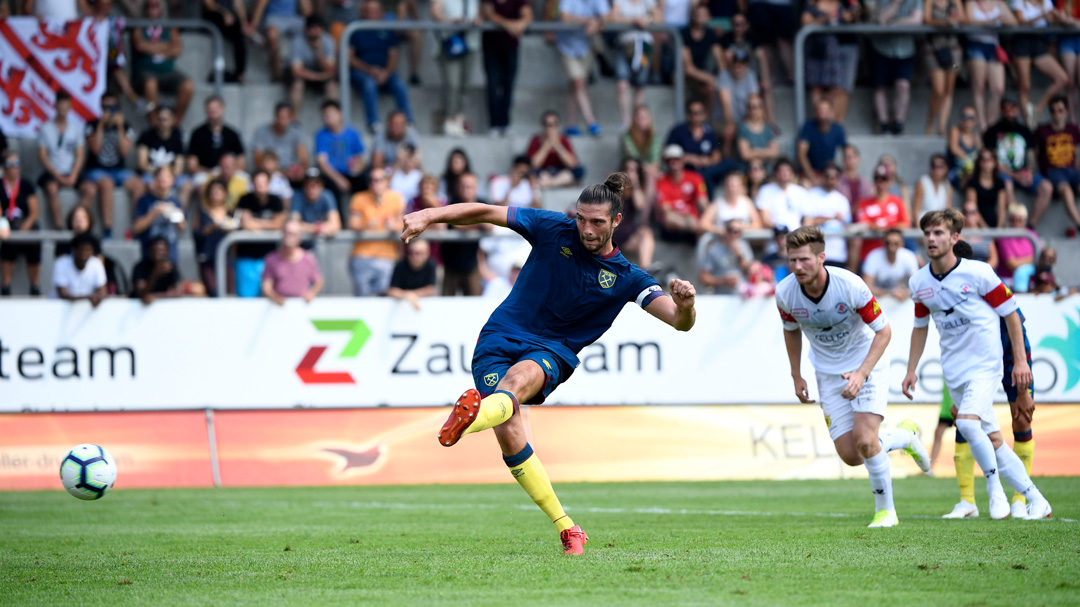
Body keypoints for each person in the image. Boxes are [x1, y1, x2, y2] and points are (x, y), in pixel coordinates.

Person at [399, 171, 698, 555]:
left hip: (551, 350)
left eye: (597, 222)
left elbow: (678, 322)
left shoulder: (628, 277)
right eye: (581, 218)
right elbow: (487, 211)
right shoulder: (553, 227)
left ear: (616, 222)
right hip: (498, 337)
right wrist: (430, 215)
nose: (586, 229)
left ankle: (470, 419)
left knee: (517, 382)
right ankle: (568, 527)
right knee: (509, 431)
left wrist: (687, 306)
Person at [903, 209, 1051, 520]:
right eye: (927, 233)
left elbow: (1011, 314)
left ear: (954, 238)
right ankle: (1036, 498)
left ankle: (994, 491)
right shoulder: (918, 281)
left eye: (939, 233)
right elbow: (920, 325)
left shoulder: (979, 273)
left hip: (985, 364)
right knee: (991, 437)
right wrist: (910, 369)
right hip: (954, 370)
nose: (931, 238)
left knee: (968, 424)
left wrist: (1020, 362)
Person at [778, 226, 929, 528]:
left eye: (804, 260)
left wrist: (862, 373)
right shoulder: (785, 293)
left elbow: (884, 332)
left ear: (822, 257)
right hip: (827, 371)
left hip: (866, 363)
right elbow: (791, 332)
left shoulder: (850, 285)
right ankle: (904, 436)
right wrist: (796, 375)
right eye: (792, 260)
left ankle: (886, 512)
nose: (797, 267)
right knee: (851, 455)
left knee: (864, 438)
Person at [942, 238, 1038, 519]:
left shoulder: (983, 282)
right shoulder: (942, 290)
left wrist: (1022, 379)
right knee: (965, 421)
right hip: (973, 364)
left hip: (1009, 357)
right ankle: (967, 501)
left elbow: (1016, 322)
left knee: (1021, 418)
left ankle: (1021, 499)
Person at [984, 96, 1055, 218]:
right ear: (1001, 110)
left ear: (1017, 109)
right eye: (1005, 108)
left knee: (1047, 187)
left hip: (1022, 172)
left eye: (1012, 107)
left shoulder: (1024, 130)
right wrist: (1013, 175)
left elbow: (1031, 155)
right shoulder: (992, 131)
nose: (1008, 111)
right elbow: (991, 160)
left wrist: (1029, 172)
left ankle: (1031, 226)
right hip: (1002, 173)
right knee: (1007, 184)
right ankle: (1016, 223)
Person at [349, 0, 414, 132]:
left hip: (385, 72)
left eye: (374, 11)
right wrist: (369, 70)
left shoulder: (387, 29)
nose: (371, 14)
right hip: (362, 72)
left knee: (400, 84)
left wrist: (386, 73)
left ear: (381, 13)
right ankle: (374, 124)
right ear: (363, 13)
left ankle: (408, 123)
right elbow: (350, 58)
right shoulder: (355, 29)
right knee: (369, 84)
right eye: (368, 11)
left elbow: (393, 55)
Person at [132, 0, 195, 122]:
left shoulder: (169, 27)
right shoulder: (139, 26)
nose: (152, 9)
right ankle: (156, 124)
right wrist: (166, 46)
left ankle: (174, 124)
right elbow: (139, 45)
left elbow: (177, 50)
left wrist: (151, 47)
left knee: (188, 85)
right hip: (146, 71)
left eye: (155, 6)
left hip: (167, 71)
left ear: (161, 8)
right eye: (148, 6)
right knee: (151, 84)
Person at [348, 167, 405, 296]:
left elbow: (403, 222)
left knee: (383, 298)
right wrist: (366, 224)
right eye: (372, 180)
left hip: (387, 256)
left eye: (379, 180)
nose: (375, 183)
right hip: (362, 255)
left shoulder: (395, 198)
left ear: (386, 181)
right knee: (363, 299)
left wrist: (393, 226)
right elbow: (352, 224)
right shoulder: (359, 198)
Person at [1011, 0, 1069, 126]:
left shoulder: (1046, 1)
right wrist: (1041, 16)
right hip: (1022, 41)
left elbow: (1050, 21)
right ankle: (1028, 123)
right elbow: (1020, 21)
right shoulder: (1019, 1)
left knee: (1062, 78)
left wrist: (1057, 17)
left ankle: (1036, 110)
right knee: (1025, 85)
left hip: (1038, 41)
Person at [870, 0, 924, 134]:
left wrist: (895, 22)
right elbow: (881, 20)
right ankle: (883, 123)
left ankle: (899, 122)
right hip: (881, 48)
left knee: (903, 85)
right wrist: (896, 3)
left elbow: (917, 21)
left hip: (905, 49)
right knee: (879, 86)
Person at [555, 0, 608, 136]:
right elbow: (564, 17)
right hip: (567, 46)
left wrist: (596, 22)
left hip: (585, 46)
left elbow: (608, 16)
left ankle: (570, 124)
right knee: (578, 83)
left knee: (576, 85)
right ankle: (591, 122)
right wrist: (589, 20)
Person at [481, 0, 532, 136]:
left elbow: (528, 15)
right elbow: (488, 14)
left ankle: (505, 123)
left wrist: (521, 24)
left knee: (508, 86)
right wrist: (508, 24)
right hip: (491, 47)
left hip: (510, 48)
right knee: (492, 85)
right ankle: (494, 124)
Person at [665, 99, 736, 198]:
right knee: (704, 177)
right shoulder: (678, 131)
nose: (695, 116)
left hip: (708, 168)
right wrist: (689, 158)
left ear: (704, 114)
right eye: (692, 113)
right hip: (687, 169)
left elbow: (716, 153)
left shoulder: (708, 131)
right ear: (688, 114)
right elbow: (667, 152)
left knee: (729, 163)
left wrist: (708, 161)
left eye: (698, 113)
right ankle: (709, 207)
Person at [432, 0, 481, 136]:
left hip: (470, 42)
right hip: (450, 42)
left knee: (465, 84)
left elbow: (485, 11)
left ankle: (459, 118)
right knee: (452, 83)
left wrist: (479, 19)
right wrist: (453, 21)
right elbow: (435, 14)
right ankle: (448, 119)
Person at [235, 171, 287, 297]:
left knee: (271, 297)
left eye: (263, 183)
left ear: (269, 184)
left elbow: (279, 224)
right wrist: (269, 224)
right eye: (257, 183)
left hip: (269, 257)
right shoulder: (245, 199)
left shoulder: (275, 200)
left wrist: (256, 224)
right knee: (247, 299)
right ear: (253, 185)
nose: (260, 186)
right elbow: (246, 224)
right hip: (246, 257)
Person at [36, 91, 83, 229]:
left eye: (66, 106)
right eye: (61, 106)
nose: (63, 109)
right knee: (51, 188)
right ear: (55, 106)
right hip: (53, 171)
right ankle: (59, 225)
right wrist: (57, 175)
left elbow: (80, 154)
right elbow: (42, 156)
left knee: (90, 189)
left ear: (70, 107)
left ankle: (78, 221)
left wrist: (74, 175)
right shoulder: (45, 128)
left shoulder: (75, 129)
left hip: (70, 171)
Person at [965, 0, 1013, 131]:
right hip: (975, 45)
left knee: (998, 89)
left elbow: (1014, 21)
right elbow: (967, 20)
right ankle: (982, 124)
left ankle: (990, 123)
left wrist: (1003, 20)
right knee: (979, 87)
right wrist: (990, 22)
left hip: (993, 46)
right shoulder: (971, 4)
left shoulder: (1000, 4)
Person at [1034, 95, 1080, 229]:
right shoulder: (1041, 130)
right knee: (1066, 190)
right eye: (1053, 111)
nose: (1057, 114)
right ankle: (1078, 223)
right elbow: (1034, 154)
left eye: (1060, 110)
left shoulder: (1073, 129)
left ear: (1066, 111)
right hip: (1052, 171)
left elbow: (1077, 152)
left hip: (1072, 171)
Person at [314, 99, 366, 212]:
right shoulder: (321, 135)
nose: (328, 117)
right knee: (330, 186)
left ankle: (362, 215)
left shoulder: (353, 133)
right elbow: (322, 163)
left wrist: (357, 169)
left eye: (331, 114)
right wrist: (339, 180)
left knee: (365, 180)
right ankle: (338, 221)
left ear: (340, 113)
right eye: (325, 115)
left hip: (351, 174)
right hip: (332, 175)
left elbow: (360, 158)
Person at [441, 172, 488, 295]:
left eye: (469, 186)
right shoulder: (453, 202)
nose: (465, 189)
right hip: (452, 263)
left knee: (474, 304)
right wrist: (480, 220)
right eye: (463, 186)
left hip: (472, 263)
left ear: (476, 188)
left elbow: (490, 226)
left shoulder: (482, 203)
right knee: (446, 303)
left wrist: (471, 222)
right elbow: (457, 225)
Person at [0, 152, 41, 296]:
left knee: (34, 239)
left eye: (16, 164)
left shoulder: (26, 185)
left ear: (20, 167)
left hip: (24, 222)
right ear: (4, 167)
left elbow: (34, 212)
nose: (13, 167)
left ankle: (34, 285)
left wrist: (27, 224)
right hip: (5, 223)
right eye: (9, 164)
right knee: (8, 241)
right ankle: (5, 285)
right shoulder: (0, 185)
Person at [854, 163, 911, 263]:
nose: (880, 183)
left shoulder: (897, 201)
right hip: (869, 255)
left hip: (892, 255)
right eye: (877, 179)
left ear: (889, 181)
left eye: (884, 179)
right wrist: (891, 227)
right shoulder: (863, 203)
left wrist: (881, 227)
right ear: (874, 181)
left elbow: (906, 224)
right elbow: (865, 225)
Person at [923, 0, 965, 136]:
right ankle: (930, 123)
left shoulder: (956, 1)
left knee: (949, 89)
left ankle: (942, 126)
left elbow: (964, 18)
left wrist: (955, 19)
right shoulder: (930, 1)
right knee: (938, 90)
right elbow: (926, 19)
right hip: (934, 51)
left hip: (954, 53)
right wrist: (944, 23)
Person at [136, 104, 191, 207]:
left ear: (173, 120)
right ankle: (146, 217)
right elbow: (142, 164)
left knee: (187, 184)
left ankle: (180, 217)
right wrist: (159, 176)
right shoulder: (147, 135)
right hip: (150, 174)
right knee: (146, 183)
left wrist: (166, 177)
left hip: (171, 175)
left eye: (165, 119)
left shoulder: (178, 138)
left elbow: (179, 168)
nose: (162, 123)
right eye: (160, 119)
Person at [262, 218, 324, 303]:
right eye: (287, 233)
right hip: (277, 310)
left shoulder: (308, 259)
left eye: (293, 234)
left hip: (301, 309)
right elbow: (266, 286)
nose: (289, 237)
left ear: (299, 237)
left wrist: (311, 293)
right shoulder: (272, 259)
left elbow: (318, 281)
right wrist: (276, 298)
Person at [187, 96, 245, 185]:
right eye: (210, 108)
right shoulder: (197, 134)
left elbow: (242, 162)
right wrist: (209, 172)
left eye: (216, 108)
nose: (213, 111)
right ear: (205, 111)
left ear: (223, 109)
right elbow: (192, 164)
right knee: (201, 183)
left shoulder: (232, 134)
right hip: (206, 173)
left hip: (229, 173)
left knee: (244, 180)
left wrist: (228, 171)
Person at [803, 163, 852, 267]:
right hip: (815, 254)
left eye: (834, 177)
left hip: (838, 255)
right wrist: (833, 218)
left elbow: (848, 228)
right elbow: (807, 223)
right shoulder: (810, 195)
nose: (831, 180)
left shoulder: (842, 200)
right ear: (822, 177)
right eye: (828, 176)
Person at [655, 145, 707, 244]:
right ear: (666, 162)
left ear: (683, 160)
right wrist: (689, 221)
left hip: (692, 223)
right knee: (669, 218)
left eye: (676, 159)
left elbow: (703, 203)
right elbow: (665, 210)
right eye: (670, 159)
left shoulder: (696, 178)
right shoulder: (661, 182)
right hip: (675, 226)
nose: (673, 162)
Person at [287, 16, 339, 115]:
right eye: (314, 29)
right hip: (304, 77)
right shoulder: (297, 42)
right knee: (298, 85)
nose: (317, 32)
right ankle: (294, 119)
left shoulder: (327, 41)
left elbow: (330, 70)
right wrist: (319, 77)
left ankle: (333, 118)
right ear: (307, 29)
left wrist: (319, 52)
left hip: (318, 74)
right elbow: (296, 71)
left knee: (332, 86)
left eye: (319, 29)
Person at [193, 179, 236, 296]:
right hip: (207, 257)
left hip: (226, 259)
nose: (216, 193)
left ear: (225, 193)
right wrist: (212, 227)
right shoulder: (202, 213)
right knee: (213, 291)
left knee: (229, 291)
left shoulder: (230, 214)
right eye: (213, 191)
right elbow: (196, 234)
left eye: (219, 190)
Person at [133, 166, 186, 263]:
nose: (163, 181)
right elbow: (137, 228)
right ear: (154, 179)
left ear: (172, 180)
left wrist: (176, 216)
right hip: (149, 254)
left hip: (170, 253)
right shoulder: (144, 200)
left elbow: (182, 227)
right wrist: (153, 213)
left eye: (166, 177)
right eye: (160, 177)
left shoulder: (175, 201)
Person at [681, 3, 725, 119]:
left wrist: (722, 79)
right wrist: (713, 80)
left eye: (702, 14)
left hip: (705, 76)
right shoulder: (684, 34)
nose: (699, 17)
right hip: (688, 77)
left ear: (708, 17)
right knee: (712, 84)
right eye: (697, 14)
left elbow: (719, 58)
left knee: (711, 87)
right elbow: (688, 69)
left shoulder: (711, 34)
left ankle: (705, 119)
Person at [250, 0, 310, 82]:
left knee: (312, 31)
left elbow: (307, 10)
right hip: (273, 17)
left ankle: (304, 68)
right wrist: (254, 27)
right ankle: (276, 71)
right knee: (272, 36)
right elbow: (260, 6)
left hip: (292, 18)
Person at [718, 49, 763, 158]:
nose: (737, 68)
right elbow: (725, 103)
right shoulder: (724, 75)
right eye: (735, 65)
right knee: (729, 132)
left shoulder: (750, 75)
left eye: (741, 65)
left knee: (751, 129)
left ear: (746, 66)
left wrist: (755, 122)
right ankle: (727, 161)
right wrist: (730, 123)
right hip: (723, 119)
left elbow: (754, 100)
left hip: (743, 119)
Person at [253, 104, 309, 187]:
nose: (282, 120)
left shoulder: (296, 133)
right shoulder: (262, 132)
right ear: (275, 116)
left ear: (291, 118)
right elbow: (258, 160)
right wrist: (280, 172)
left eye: (286, 117)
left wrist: (301, 171)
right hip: (269, 173)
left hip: (291, 173)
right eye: (280, 117)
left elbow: (304, 158)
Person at [528, 111, 585, 188]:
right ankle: (559, 183)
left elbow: (572, 164)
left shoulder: (564, 139)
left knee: (579, 170)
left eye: (554, 125)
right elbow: (533, 164)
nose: (551, 128)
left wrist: (558, 146)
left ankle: (550, 183)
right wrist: (546, 146)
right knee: (530, 172)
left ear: (558, 126)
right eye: (548, 125)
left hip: (560, 173)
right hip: (543, 172)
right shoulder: (536, 140)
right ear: (543, 126)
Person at [797, 98, 847, 183]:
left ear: (831, 112)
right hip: (811, 172)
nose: (822, 114)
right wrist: (812, 177)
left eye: (825, 110)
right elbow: (801, 154)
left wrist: (844, 173)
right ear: (815, 112)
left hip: (830, 172)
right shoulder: (808, 127)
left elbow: (847, 151)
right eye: (820, 110)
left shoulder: (838, 129)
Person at [698, 217, 752, 294]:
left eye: (737, 231)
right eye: (731, 230)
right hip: (721, 297)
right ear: (725, 230)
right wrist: (724, 281)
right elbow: (703, 278)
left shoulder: (744, 246)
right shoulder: (714, 249)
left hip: (743, 297)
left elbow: (751, 272)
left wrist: (739, 255)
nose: (733, 234)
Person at [51, 232, 107, 306]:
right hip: (58, 312)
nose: (83, 255)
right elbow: (63, 294)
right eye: (80, 250)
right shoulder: (61, 263)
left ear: (92, 251)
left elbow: (103, 291)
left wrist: (98, 297)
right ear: (74, 250)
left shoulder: (96, 263)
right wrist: (88, 298)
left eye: (87, 250)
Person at [862, 228, 919, 299]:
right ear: (882, 242)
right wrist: (890, 293)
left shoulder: (909, 257)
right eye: (888, 243)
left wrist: (905, 293)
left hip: (897, 298)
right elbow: (866, 287)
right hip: (877, 299)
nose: (891, 248)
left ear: (902, 243)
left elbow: (917, 286)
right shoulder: (873, 256)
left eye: (896, 243)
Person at [755, 157, 808, 232]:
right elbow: (764, 219)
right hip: (775, 236)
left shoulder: (801, 191)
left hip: (796, 238)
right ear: (776, 173)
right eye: (781, 170)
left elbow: (808, 217)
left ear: (792, 173)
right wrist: (781, 231)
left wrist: (802, 235)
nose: (784, 173)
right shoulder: (765, 190)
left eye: (787, 170)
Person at [202, 0, 249, 83]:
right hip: (213, 14)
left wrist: (244, 23)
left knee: (240, 31)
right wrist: (224, 13)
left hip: (230, 18)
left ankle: (240, 73)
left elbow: (238, 4)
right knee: (235, 27)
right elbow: (209, 5)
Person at [291, 168, 342, 239]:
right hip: (303, 244)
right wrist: (318, 228)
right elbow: (294, 224)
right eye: (307, 184)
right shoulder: (298, 196)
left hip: (323, 245)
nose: (311, 188)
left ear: (321, 186)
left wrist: (307, 227)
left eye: (315, 184)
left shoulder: (327, 196)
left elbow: (336, 225)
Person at [387, 238, 437, 309]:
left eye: (419, 253)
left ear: (427, 253)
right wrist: (409, 295)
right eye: (411, 252)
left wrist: (410, 295)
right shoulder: (400, 265)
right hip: (401, 309)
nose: (415, 256)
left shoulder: (431, 265)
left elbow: (430, 290)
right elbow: (392, 291)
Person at [132, 236, 183, 304]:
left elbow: (178, 293)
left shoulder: (171, 267)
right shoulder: (140, 267)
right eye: (154, 251)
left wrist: (156, 297)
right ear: (149, 251)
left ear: (167, 251)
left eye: (161, 251)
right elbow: (141, 293)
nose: (157, 255)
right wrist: (155, 274)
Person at [997, 203, 1038, 288]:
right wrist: (1031, 259)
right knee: (1021, 274)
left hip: (1031, 280)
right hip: (1009, 282)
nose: (1016, 223)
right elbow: (1012, 264)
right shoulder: (1004, 237)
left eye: (1019, 220)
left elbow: (1039, 258)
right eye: (1012, 220)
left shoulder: (1032, 234)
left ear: (1025, 221)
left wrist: (1023, 261)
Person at [966, 148, 1008, 227]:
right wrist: (985, 228)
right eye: (983, 159)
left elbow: (1001, 209)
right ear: (979, 162)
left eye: (989, 159)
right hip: (976, 226)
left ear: (995, 162)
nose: (986, 163)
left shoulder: (999, 183)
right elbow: (973, 209)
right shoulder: (972, 183)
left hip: (995, 224)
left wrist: (998, 229)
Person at [621, 105, 662, 184]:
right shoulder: (626, 137)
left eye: (645, 117)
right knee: (648, 174)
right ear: (634, 120)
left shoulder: (654, 138)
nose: (642, 120)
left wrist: (652, 170)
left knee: (651, 176)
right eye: (639, 117)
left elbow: (656, 160)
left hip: (647, 172)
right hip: (629, 169)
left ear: (650, 119)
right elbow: (635, 159)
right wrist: (651, 171)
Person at [737, 94, 781, 167]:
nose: (753, 110)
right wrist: (766, 152)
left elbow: (775, 152)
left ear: (762, 109)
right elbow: (745, 155)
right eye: (750, 107)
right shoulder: (743, 128)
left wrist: (754, 150)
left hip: (765, 169)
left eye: (756, 107)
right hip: (748, 169)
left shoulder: (767, 128)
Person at [947, 105, 982, 190]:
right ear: (960, 118)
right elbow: (954, 148)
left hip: (972, 171)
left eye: (971, 117)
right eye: (964, 116)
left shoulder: (976, 136)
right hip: (956, 171)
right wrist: (969, 160)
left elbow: (981, 153)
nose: (967, 120)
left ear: (976, 120)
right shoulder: (955, 130)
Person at [913, 154, 953, 220]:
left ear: (946, 169)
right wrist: (918, 228)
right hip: (923, 222)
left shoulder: (947, 185)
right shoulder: (922, 182)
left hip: (940, 224)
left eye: (940, 167)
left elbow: (948, 209)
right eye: (934, 166)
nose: (936, 169)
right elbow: (916, 209)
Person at [837, 145, 872, 216]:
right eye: (847, 157)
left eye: (852, 157)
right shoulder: (837, 182)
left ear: (858, 159)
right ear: (843, 160)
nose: (850, 159)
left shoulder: (865, 183)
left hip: (863, 220)